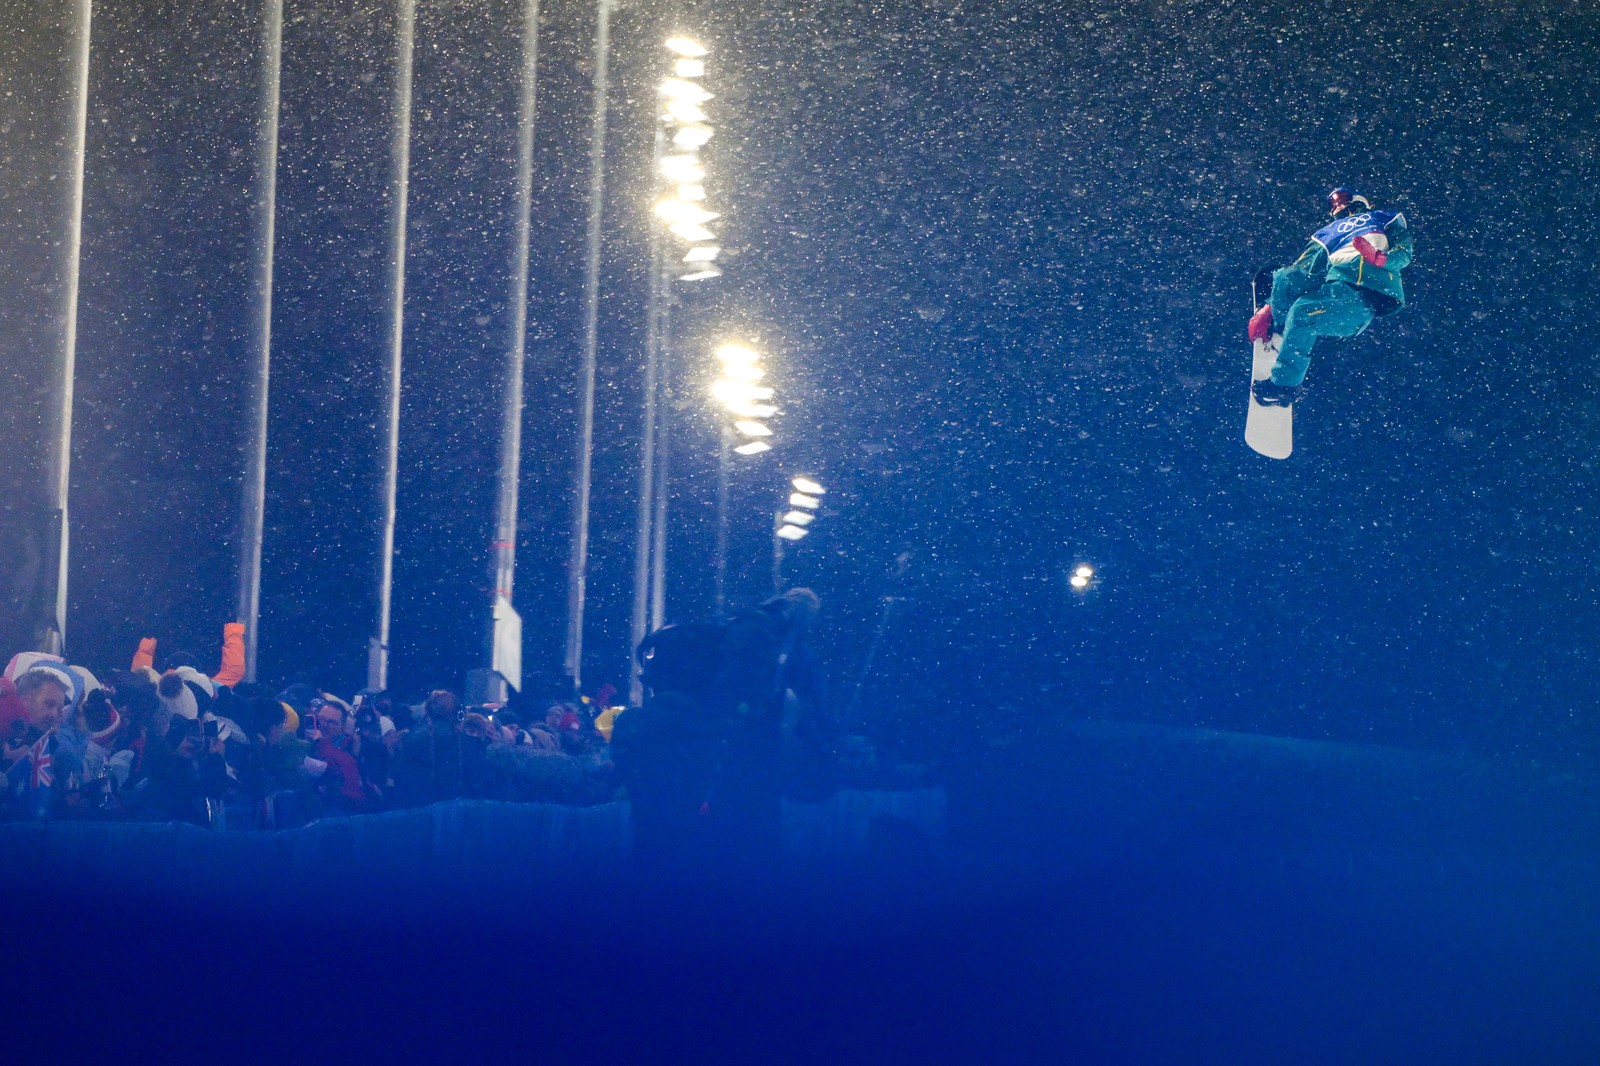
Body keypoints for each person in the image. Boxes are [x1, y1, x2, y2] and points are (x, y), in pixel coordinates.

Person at [1249, 186, 1414, 406]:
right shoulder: (1328, 233)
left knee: (1303, 313)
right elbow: (1303, 270)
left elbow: (1404, 251)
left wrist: (1382, 259)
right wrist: (1271, 305)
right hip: (1334, 289)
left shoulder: (1384, 218)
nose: (1338, 204)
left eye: (1342, 197)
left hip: (1363, 297)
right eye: (1333, 201)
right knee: (1285, 279)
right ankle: (1279, 327)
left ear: (1359, 198)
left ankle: (1284, 386)